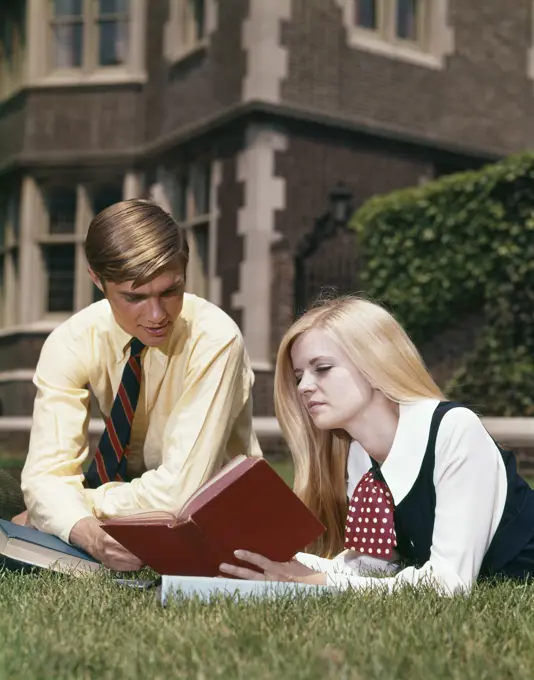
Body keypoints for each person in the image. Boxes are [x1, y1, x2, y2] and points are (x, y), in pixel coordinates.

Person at [219, 295, 534, 595]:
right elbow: (374, 569)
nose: (304, 387)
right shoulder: (359, 455)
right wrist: (276, 562)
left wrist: (319, 581)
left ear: (375, 363)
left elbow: (448, 583)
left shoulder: (453, 429)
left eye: (323, 368)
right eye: (299, 375)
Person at [14, 199, 261, 571]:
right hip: (131, 497)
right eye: (135, 297)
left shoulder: (215, 338)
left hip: (216, 511)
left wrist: (64, 508)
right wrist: (90, 534)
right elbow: (45, 473)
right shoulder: (72, 340)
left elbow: (179, 492)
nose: (158, 315)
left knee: (46, 506)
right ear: (97, 279)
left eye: (170, 291)